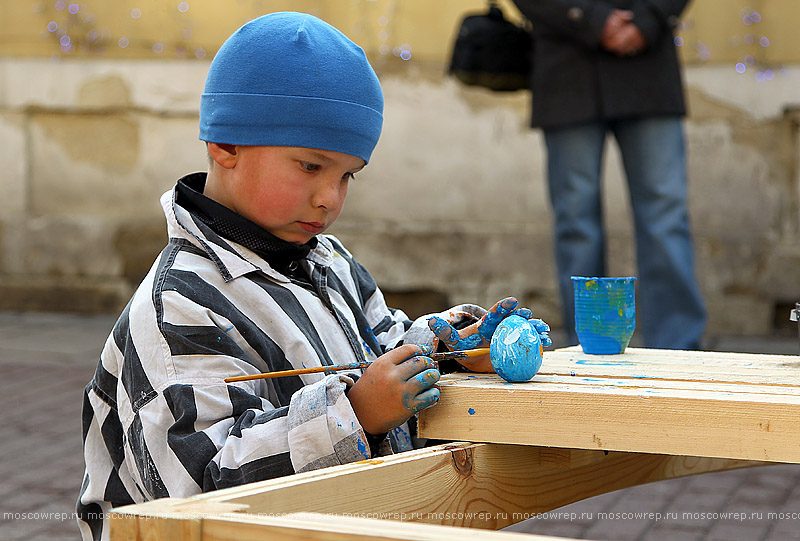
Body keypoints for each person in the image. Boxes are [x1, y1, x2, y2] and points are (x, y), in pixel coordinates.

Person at [76, 12, 551, 541]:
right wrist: (353, 414)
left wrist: (448, 345)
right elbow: (204, 483)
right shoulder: (178, 305)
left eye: (347, 175)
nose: (330, 198)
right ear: (226, 145)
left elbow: (380, 344)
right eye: (310, 167)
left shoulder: (329, 261)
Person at [511, 0, 706, 349]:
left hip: (648, 65)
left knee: (665, 216)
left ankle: (679, 349)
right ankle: (592, 346)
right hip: (566, 69)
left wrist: (649, 21)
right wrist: (589, 18)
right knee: (576, 222)